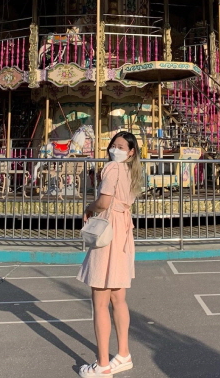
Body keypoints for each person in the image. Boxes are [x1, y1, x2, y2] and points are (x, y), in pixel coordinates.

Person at [77, 131, 144, 376]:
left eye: (120, 146)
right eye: (113, 145)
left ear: (131, 151)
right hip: (123, 231)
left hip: (109, 231)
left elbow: (104, 202)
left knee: (100, 301)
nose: (114, 149)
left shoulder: (113, 168)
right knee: (118, 298)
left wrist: (89, 207)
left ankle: (103, 364)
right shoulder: (132, 171)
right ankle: (123, 353)